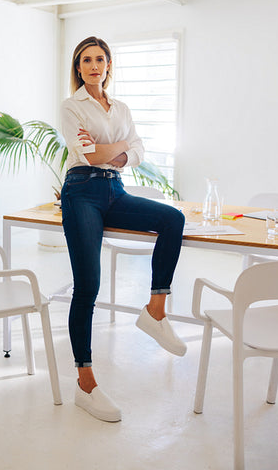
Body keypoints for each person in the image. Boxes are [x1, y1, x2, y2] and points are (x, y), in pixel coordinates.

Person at [60, 36, 186, 423]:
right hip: (81, 191)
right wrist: (119, 148)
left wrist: (115, 150)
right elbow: (90, 154)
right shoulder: (71, 106)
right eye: (86, 60)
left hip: (115, 191)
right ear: (78, 68)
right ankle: (85, 382)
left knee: (172, 219)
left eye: (100, 59)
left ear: (109, 64)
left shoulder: (122, 107)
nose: (94, 66)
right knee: (88, 286)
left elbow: (138, 152)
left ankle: (155, 310)